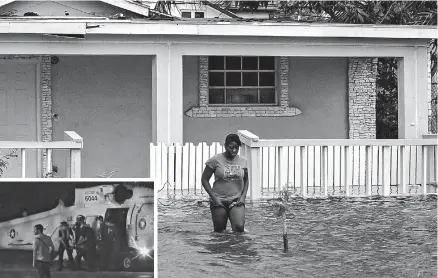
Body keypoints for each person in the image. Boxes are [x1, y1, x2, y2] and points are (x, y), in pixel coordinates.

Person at [201, 133, 249, 233]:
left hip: (236, 200)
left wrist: (243, 196)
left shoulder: (243, 161)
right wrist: (213, 197)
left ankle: (236, 248)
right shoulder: (215, 160)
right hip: (219, 200)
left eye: (237, 148)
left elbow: (246, 179)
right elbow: (204, 179)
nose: (234, 150)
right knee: (219, 232)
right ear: (225, 146)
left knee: (239, 228)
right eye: (231, 147)